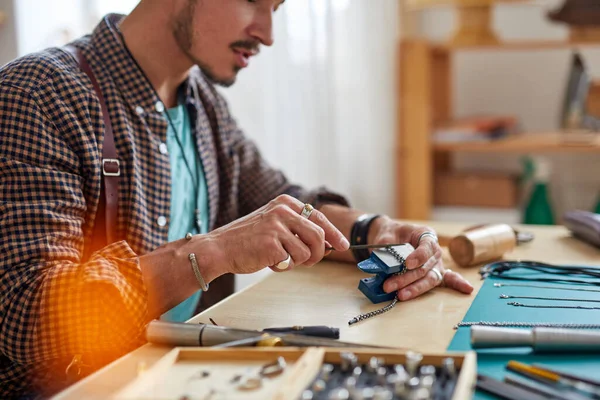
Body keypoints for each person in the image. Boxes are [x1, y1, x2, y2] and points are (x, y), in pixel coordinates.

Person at [0, 0, 474, 397]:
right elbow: (27, 314)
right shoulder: (38, 95)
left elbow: (282, 201)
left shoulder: (200, 100)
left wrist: (379, 231)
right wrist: (213, 250)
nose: (267, 33)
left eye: (276, 7)